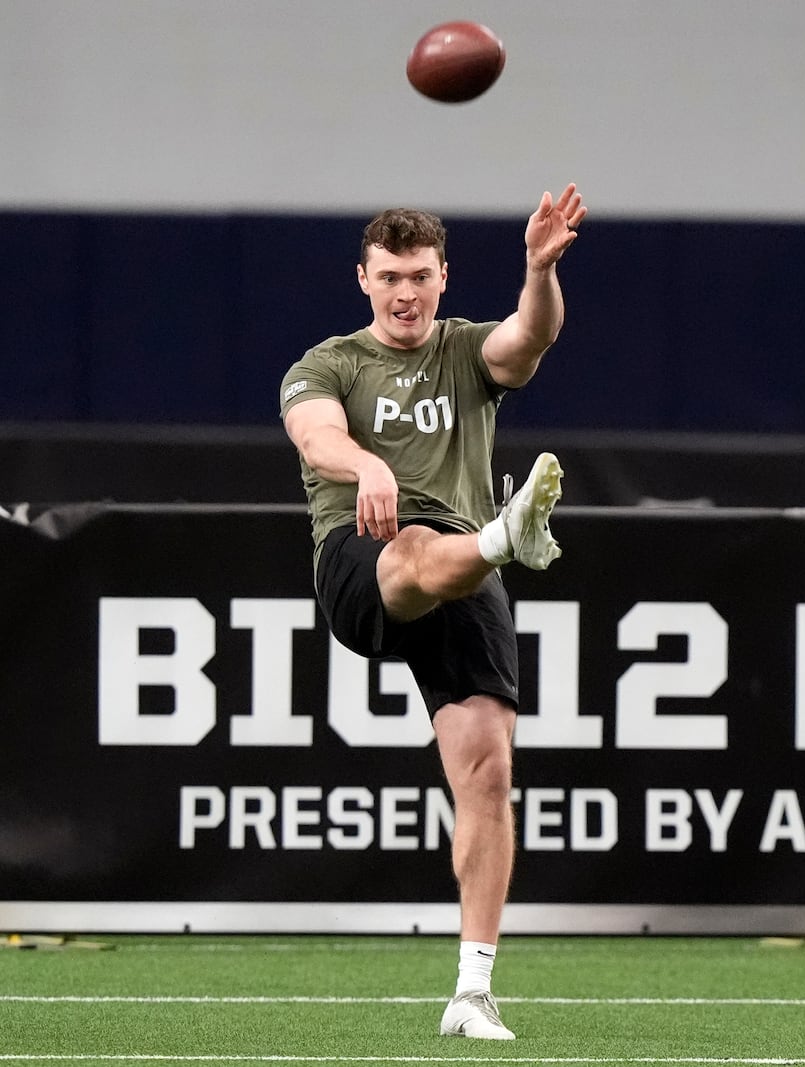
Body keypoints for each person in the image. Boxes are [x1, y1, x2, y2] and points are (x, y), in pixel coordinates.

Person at [278, 184, 587, 1041]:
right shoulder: (330, 362)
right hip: (362, 558)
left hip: (462, 561)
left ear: (444, 278)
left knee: (488, 767)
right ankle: (503, 538)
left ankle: (473, 992)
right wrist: (366, 467)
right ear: (364, 280)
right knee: (414, 548)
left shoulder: (462, 351)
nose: (404, 293)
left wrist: (538, 269)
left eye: (419, 276)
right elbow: (314, 434)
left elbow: (531, 340)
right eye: (389, 278)